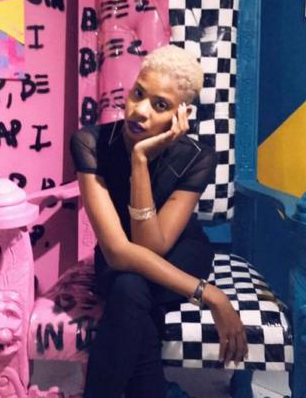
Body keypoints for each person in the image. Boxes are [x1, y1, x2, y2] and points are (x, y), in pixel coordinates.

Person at [70, 44, 248, 398]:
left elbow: (153, 244)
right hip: (118, 257)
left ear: (182, 114)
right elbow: (119, 251)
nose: (139, 111)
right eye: (138, 93)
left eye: (160, 105)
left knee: (129, 289)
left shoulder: (197, 157)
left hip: (181, 251)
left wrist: (139, 163)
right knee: (128, 286)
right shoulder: (90, 142)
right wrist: (210, 295)